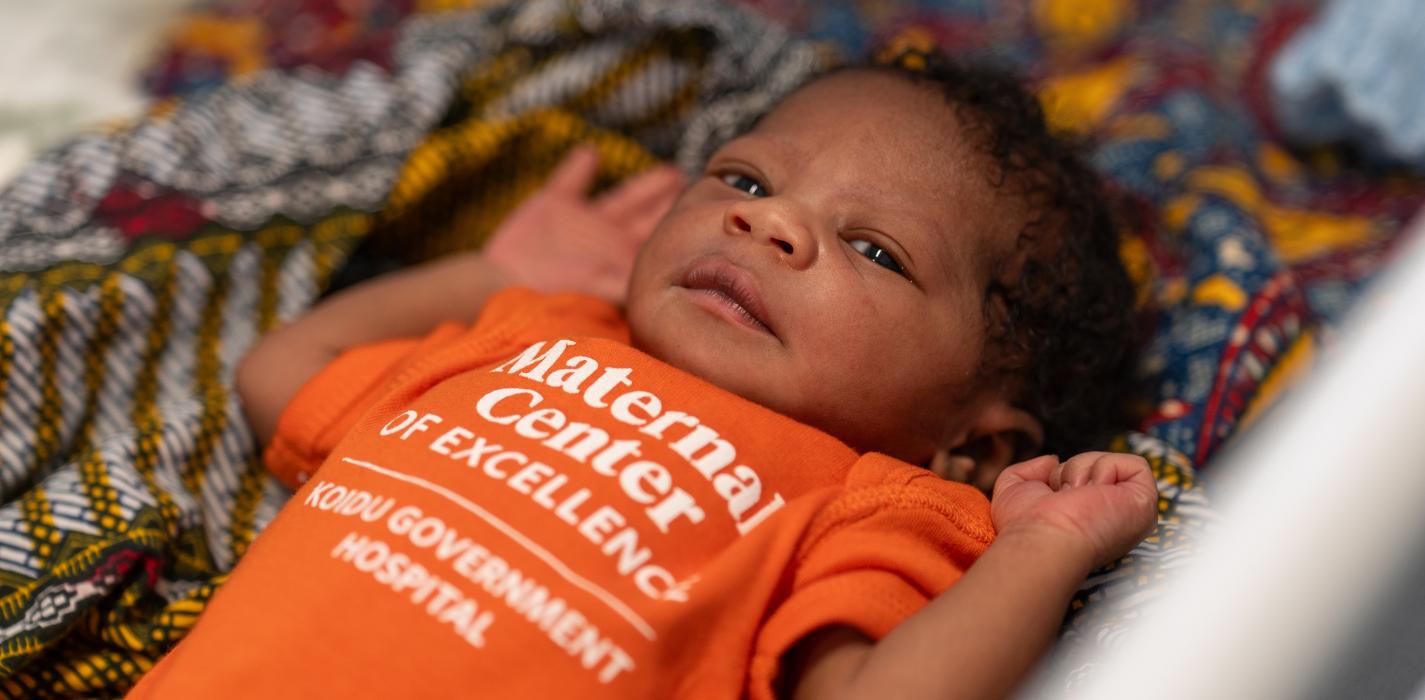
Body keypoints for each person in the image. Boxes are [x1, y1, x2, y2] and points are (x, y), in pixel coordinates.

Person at [129, 52, 1157, 699]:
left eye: (875, 249)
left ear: (973, 442)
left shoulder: (863, 504)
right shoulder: (538, 330)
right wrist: (495, 270)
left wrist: (1041, 549)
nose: (765, 219)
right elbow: (283, 370)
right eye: (743, 177)